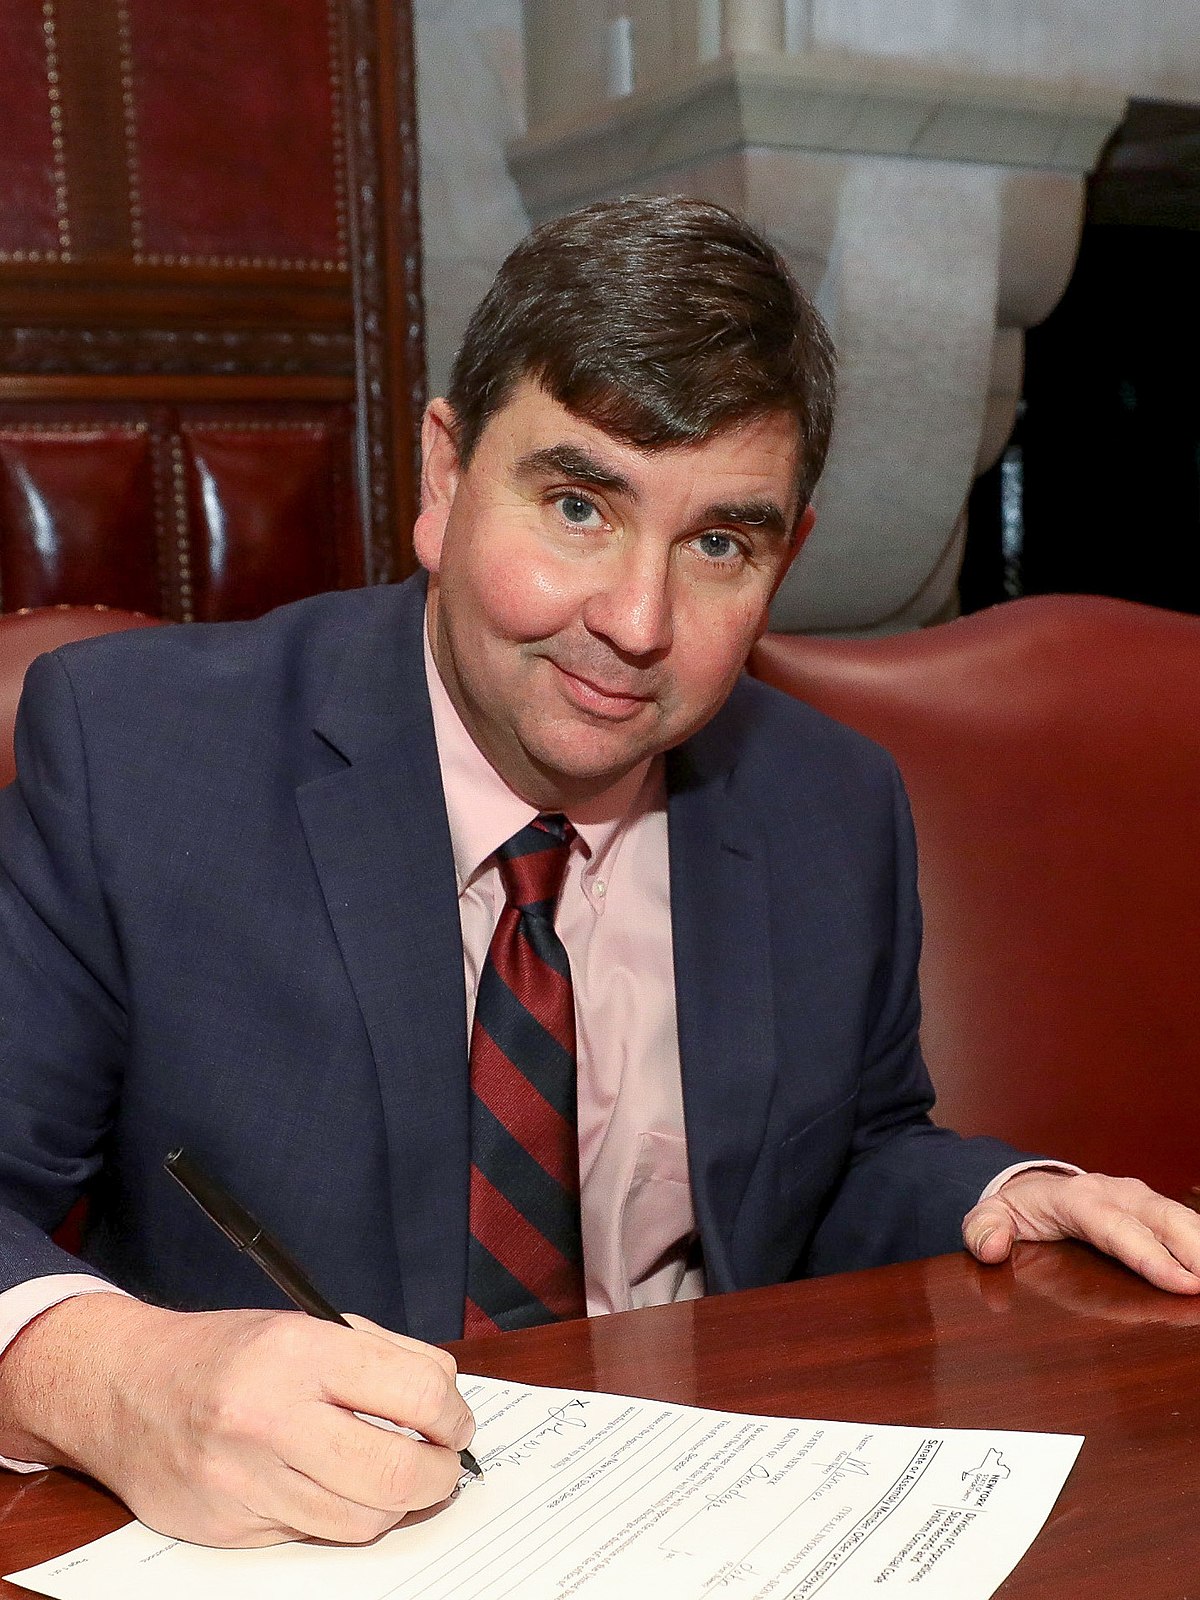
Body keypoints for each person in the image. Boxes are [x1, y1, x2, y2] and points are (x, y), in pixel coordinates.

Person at [0, 196, 1196, 1550]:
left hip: (710, 1529)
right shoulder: (143, 755)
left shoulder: (828, 804)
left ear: (784, 559)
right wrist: (102, 1379)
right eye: (578, 504)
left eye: (721, 544)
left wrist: (1001, 1196)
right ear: (446, 480)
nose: (636, 624)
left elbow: (840, 1162)